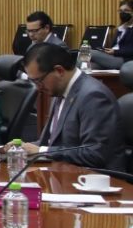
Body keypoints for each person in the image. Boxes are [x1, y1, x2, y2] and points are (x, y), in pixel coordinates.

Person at [23, 41, 122, 170]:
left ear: (59, 71)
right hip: (64, 172)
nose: (38, 87)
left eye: (38, 80)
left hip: (94, 177)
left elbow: (95, 154)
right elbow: (51, 143)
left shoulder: (93, 96)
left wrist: (42, 151)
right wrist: (22, 148)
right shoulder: (60, 91)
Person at [87, 0, 133, 69]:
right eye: (120, 11)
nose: (123, 13)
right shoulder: (121, 28)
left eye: (126, 10)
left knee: (89, 52)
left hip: (125, 60)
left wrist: (115, 52)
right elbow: (115, 46)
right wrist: (107, 51)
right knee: (88, 65)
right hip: (112, 57)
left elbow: (130, 50)